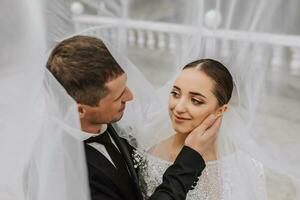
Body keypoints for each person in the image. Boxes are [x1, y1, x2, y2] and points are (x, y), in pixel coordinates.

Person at [46, 35, 221, 200]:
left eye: (125, 85)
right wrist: (190, 158)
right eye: (118, 96)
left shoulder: (108, 121)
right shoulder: (68, 173)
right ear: (80, 110)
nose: (130, 96)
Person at [138, 59, 267, 199]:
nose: (179, 108)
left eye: (196, 101)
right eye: (175, 93)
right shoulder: (150, 162)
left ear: (220, 110)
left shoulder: (246, 165)